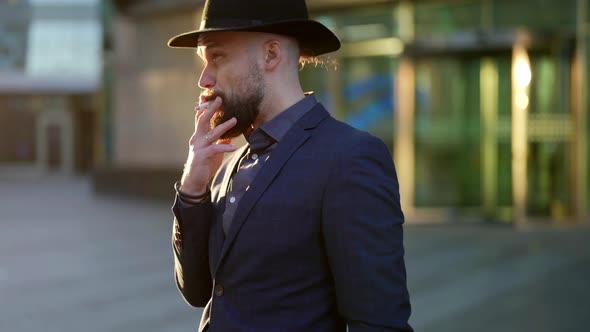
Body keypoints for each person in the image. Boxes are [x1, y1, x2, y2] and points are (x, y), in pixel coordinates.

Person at [168, 0, 412, 331]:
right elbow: (197, 291)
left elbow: (379, 322)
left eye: (217, 56)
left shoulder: (350, 158)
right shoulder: (226, 166)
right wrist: (193, 188)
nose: (204, 78)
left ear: (271, 55)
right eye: (204, 61)